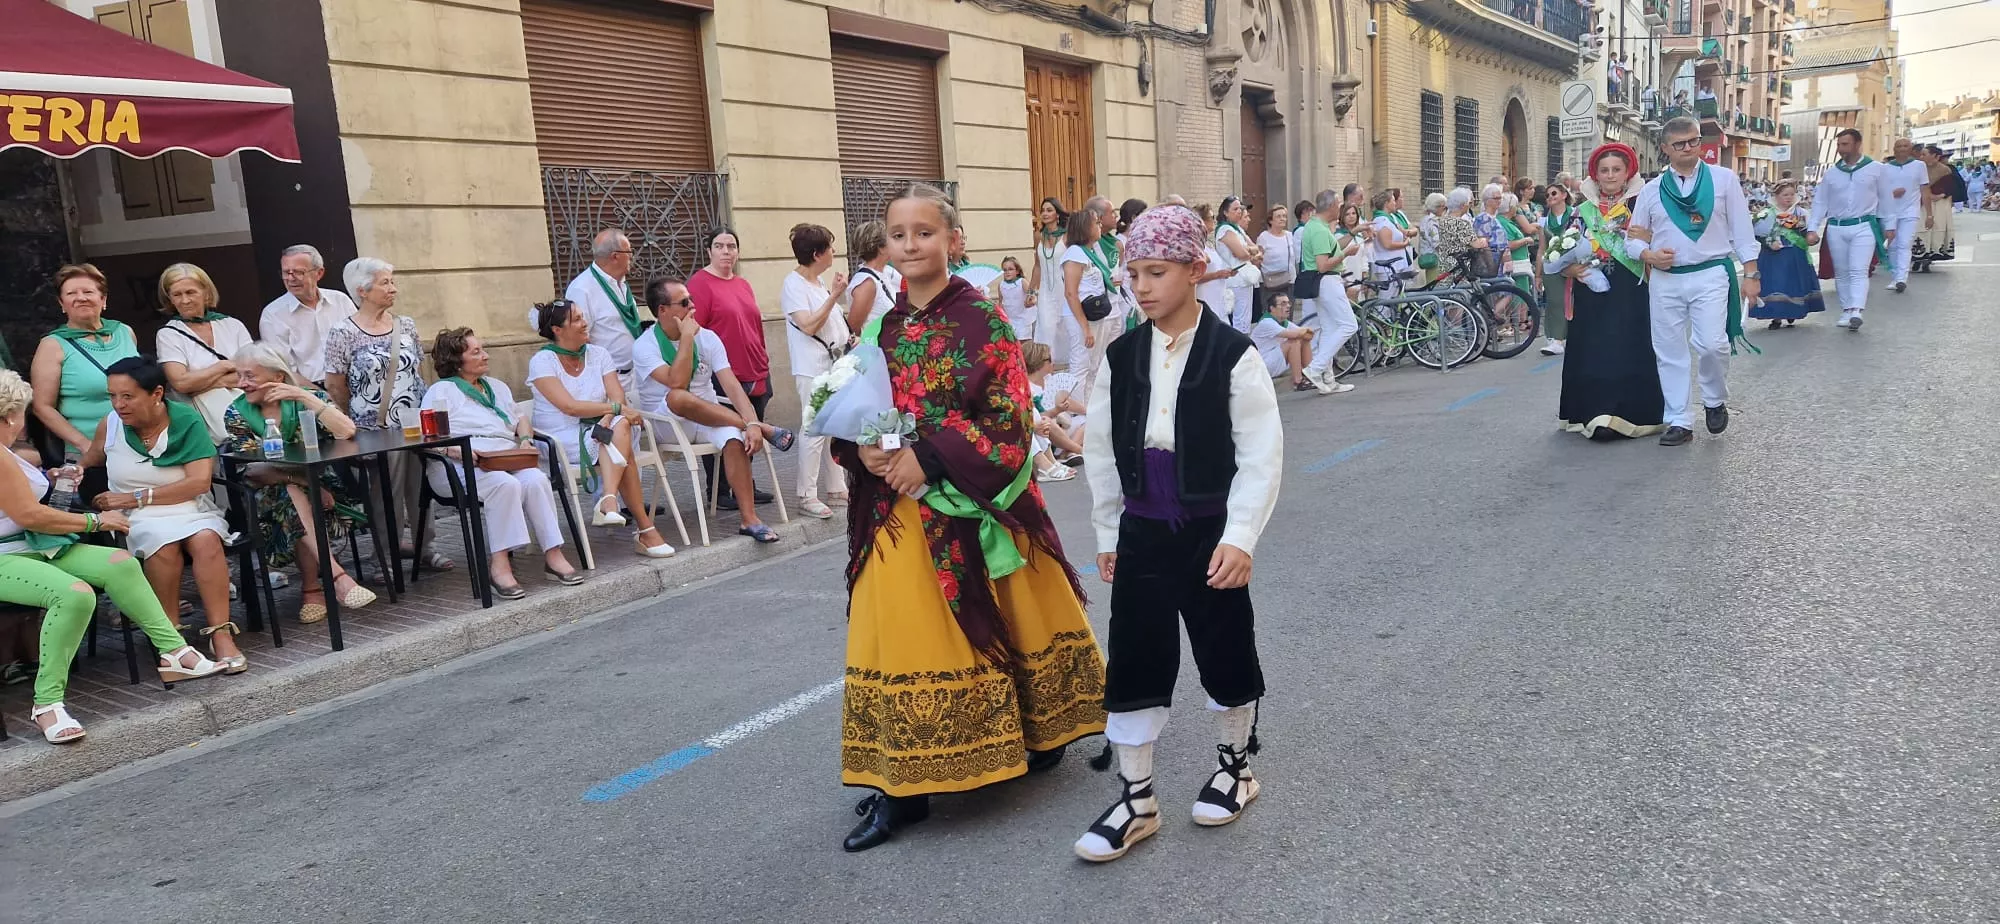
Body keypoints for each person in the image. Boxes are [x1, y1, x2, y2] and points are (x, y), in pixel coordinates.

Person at [832, 183, 1105, 852]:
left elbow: (1011, 421)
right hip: (897, 509)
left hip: (972, 499)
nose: (910, 244)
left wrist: (929, 456)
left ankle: (1044, 732)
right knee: (896, 633)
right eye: (898, 234)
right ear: (885, 245)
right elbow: (844, 401)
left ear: (952, 240)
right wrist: (861, 446)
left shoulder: (983, 319)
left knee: (1015, 615)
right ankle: (905, 787)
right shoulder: (882, 325)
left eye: (924, 232)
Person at [1074, 204, 1281, 863]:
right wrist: (1109, 534)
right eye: (1133, 272)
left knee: (1223, 647)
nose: (1141, 286)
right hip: (1142, 529)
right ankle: (1137, 800)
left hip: (1206, 529)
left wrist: (1241, 536)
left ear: (1196, 271)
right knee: (1134, 656)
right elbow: (1102, 447)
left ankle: (1236, 767)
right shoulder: (1123, 353)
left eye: (1156, 272)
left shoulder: (1233, 355)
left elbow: (1260, 453)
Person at [0, 369, 223, 744]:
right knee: (73, 594)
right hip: (8, 555)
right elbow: (30, 515)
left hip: (33, 545)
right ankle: (48, 704)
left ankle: (174, 653)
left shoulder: (7, 453)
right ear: (10, 416)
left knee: (120, 564)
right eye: (22, 413)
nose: (24, 423)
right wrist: (93, 521)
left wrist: (55, 480)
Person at [84, 357, 244, 673]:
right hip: (136, 517)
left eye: (127, 396)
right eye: (112, 396)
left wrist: (135, 495)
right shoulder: (110, 424)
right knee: (163, 544)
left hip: (190, 507)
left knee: (206, 539)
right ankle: (171, 640)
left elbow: (199, 482)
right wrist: (71, 475)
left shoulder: (186, 420)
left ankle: (221, 633)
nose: (118, 404)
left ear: (156, 393)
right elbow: (90, 461)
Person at [420, 328, 587, 599]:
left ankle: (553, 554)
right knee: (505, 485)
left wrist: (524, 439)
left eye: (483, 349)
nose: (485, 356)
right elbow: (432, 437)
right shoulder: (442, 391)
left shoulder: (497, 386)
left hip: (504, 458)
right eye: (476, 352)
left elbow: (520, 417)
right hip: (459, 466)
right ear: (456, 360)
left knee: (535, 480)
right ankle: (500, 564)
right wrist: (459, 452)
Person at [1627, 117, 1758, 447]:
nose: (1688, 149)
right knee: (1669, 351)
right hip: (1666, 280)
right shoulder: (1652, 190)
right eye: (1680, 144)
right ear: (1665, 149)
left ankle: (1714, 399)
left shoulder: (1724, 180)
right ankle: (1679, 419)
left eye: (1694, 141)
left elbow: (1743, 231)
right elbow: (1634, 239)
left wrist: (1752, 274)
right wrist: (1649, 256)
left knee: (1712, 344)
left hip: (1710, 272)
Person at [222, 341, 374, 624]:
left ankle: (314, 589)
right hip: (263, 499)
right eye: (239, 375)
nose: (242, 383)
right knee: (291, 494)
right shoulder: (236, 413)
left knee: (296, 499)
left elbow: (346, 431)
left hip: (325, 489)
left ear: (278, 377)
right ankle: (338, 578)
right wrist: (306, 482)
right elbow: (255, 471)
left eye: (250, 376)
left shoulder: (305, 400)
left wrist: (306, 397)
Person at [634, 278, 793, 545]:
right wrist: (685, 339)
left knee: (733, 439)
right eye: (684, 303)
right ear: (662, 310)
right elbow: (676, 382)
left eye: (691, 300)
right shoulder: (644, 345)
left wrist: (749, 421)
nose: (693, 307)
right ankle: (760, 428)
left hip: (709, 415)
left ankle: (749, 519)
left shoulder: (707, 338)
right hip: (668, 422)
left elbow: (730, 383)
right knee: (678, 397)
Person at [527, 300, 676, 559]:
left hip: (603, 428)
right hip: (563, 438)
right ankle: (642, 528)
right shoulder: (542, 361)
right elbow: (569, 407)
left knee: (618, 429)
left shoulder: (599, 354)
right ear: (557, 330)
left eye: (583, 317)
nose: (585, 323)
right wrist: (611, 412)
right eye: (576, 319)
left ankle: (609, 500)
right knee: (622, 442)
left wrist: (611, 414)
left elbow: (618, 399)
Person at [325, 257, 447, 569]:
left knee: (419, 488)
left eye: (392, 281)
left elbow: (418, 371)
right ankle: (386, 556)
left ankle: (425, 547)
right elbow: (335, 384)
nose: (393, 288)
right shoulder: (343, 332)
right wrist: (354, 421)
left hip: (413, 422)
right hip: (373, 428)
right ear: (362, 290)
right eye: (385, 282)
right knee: (383, 495)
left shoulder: (405, 325)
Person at [1557, 143, 1666, 440]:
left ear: (1628, 171)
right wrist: (1570, 269)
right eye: (1604, 170)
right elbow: (1561, 249)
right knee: (1593, 351)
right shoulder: (1582, 211)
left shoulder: (1641, 206)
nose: (1610, 175)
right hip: (1590, 292)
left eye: (1616, 169)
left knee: (1628, 347)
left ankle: (1633, 415)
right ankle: (1592, 415)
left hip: (1630, 290)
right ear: (1595, 174)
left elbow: (1655, 243)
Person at [688, 228, 776, 510]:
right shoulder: (700, 284)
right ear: (709, 251)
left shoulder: (743, 284)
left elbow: (754, 325)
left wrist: (763, 360)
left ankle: (744, 486)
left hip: (755, 369)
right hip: (722, 375)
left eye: (731, 246)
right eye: (719, 246)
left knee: (751, 432)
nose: (726, 251)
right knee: (724, 433)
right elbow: (694, 333)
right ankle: (720, 491)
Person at [30, 264, 141, 465]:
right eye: (72, 293)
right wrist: (85, 445)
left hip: (140, 445)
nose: (81, 297)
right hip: (92, 455)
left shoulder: (125, 332)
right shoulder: (52, 345)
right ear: (62, 303)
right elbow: (42, 406)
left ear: (103, 299)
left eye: (88, 291)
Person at [781, 223, 851, 521]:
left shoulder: (817, 282)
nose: (833, 252)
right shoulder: (793, 285)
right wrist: (834, 295)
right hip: (812, 368)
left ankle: (837, 488)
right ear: (817, 253)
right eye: (830, 247)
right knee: (813, 431)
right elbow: (808, 324)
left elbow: (832, 322)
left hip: (833, 365)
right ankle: (806, 495)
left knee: (832, 428)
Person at [1806, 128, 1897, 333]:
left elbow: (1886, 198)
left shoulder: (1876, 169)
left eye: (1845, 144)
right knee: (1842, 272)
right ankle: (1846, 309)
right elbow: (1820, 203)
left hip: (1863, 225)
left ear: (1857, 144)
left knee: (1858, 270)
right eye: (1839, 145)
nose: (1840, 149)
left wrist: (1890, 225)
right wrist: (1812, 228)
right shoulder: (1831, 174)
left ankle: (1857, 310)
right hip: (1836, 227)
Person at [154, 262, 254, 442]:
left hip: (249, 411)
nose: (184, 300)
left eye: (191, 292)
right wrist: (223, 366)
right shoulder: (168, 334)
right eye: (177, 294)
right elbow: (181, 383)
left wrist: (201, 383)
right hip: (203, 426)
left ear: (206, 292)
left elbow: (255, 373)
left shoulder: (233, 325)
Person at [259, 244, 357, 386]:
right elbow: (284, 369)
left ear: (319, 273)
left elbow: (361, 343)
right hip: (310, 389)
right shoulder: (273, 314)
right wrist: (320, 397)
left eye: (299, 272)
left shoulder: (340, 300)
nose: (291, 279)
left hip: (354, 381)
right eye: (286, 272)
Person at [560, 229, 644, 382]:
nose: (632, 256)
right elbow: (578, 337)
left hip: (637, 374)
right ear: (615, 256)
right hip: (609, 378)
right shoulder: (582, 289)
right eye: (629, 251)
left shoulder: (621, 283)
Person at [1296, 189, 1356, 396]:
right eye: (1339, 205)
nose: (1340, 208)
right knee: (1349, 325)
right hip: (1327, 280)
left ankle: (1329, 379)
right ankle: (1315, 368)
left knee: (1330, 329)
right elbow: (1322, 265)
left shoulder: (1315, 226)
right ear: (1331, 206)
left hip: (1323, 282)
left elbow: (1328, 252)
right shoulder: (1320, 230)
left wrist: (1352, 235)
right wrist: (1346, 253)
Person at [1749, 181, 1824, 328]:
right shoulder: (1767, 214)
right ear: (1776, 196)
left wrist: (1811, 238)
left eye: (1791, 194)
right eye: (1785, 195)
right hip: (1774, 256)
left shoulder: (1800, 213)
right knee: (1776, 284)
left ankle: (1792, 311)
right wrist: (1768, 243)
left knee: (1793, 283)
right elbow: (1757, 234)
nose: (1788, 198)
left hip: (1795, 254)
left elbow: (1808, 233)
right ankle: (1776, 316)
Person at [1062, 208, 1121, 396]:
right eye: (1096, 222)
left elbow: (1088, 283)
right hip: (1080, 316)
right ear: (1085, 227)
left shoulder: (1088, 252)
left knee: (1094, 364)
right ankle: (1076, 410)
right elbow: (1071, 293)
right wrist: (1085, 327)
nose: (1100, 225)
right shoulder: (1074, 254)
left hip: (1094, 314)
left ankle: (1089, 407)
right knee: (1081, 364)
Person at [1022, 342, 1082, 482]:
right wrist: (1057, 410)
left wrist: (1088, 410)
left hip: (1054, 428)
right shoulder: (1027, 386)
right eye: (1049, 360)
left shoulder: (1049, 380)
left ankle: (1065, 454)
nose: (1052, 362)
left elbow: (1068, 401)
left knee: (1086, 420)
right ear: (1038, 363)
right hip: (1047, 430)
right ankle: (1078, 451)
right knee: (1043, 419)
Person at [1882, 139, 1927, 293]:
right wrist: (1891, 194)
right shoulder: (1885, 168)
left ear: (1911, 149)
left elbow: (1924, 189)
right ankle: (1895, 277)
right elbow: (1878, 192)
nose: (1902, 149)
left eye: (1905, 146)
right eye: (1899, 146)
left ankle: (1902, 278)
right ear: (1894, 149)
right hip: (1890, 211)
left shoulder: (1919, 166)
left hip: (1910, 211)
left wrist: (1929, 214)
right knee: (1892, 245)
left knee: (1904, 243)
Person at [1212, 196, 1263, 332]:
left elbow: (1256, 248)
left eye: (1240, 209)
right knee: (1239, 319)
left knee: (1245, 317)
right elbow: (1242, 254)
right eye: (1235, 209)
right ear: (1225, 212)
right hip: (1235, 280)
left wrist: (1247, 250)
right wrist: (1247, 251)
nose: (1239, 212)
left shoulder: (1237, 229)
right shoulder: (1224, 230)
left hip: (1245, 279)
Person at [843, 220, 904, 333]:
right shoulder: (867, 283)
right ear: (881, 248)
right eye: (893, 240)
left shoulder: (882, 275)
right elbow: (852, 328)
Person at [1538, 183, 1577, 355]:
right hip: (1551, 265)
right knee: (1555, 302)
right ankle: (1556, 339)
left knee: (1575, 301)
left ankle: (1573, 336)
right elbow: (1541, 248)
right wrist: (1538, 275)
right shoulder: (1544, 221)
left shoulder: (1577, 215)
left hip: (1574, 263)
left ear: (1563, 195)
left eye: (1553, 193)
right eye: (1547, 196)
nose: (1550, 197)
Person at [1028, 197, 1069, 352]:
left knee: (1065, 329)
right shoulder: (1038, 236)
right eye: (1043, 210)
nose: (1044, 213)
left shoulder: (1067, 236)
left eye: (1049, 210)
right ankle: (1046, 366)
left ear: (1057, 214)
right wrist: (1031, 291)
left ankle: (1066, 369)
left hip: (1064, 289)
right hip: (1045, 291)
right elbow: (1037, 266)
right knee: (1046, 328)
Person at [1251, 292, 1315, 391]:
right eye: (1283, 304)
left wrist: (1304, 332)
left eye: (1288, 303)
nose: (1288, 306)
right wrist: (1305, 330)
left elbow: (1308, 336)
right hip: (1262, 365)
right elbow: (1295, 334)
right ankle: (1298, 382)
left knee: (1302, 339)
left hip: (1274, 360)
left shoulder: (1285, 323)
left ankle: (1312, 376)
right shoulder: (1266, 322)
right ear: (1272, 308)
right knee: (1293, 342)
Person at [1368, 189, 1414, 289]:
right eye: (1393, 201)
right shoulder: (1382, 220)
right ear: (1386, 203)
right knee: (1386, 298)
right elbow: (1387, 244)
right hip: (1387, 267)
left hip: (1396, 265)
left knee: (1395, 297)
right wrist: (1404, 244)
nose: (1395, 203)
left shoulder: (1390, 219)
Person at [1256, 205, 1297, 313]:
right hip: (1269, 283)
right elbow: (1258, 259)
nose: (1282, 219)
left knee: (1287, 313)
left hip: (1288, 281)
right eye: (1278, 216)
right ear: (1270, 220)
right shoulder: (1264, 237)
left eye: (1284, 216)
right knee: (1271, 313)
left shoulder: (1289, 235)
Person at [988, 256, 1033, 341]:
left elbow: (1032, 294)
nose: (1007, 272)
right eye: (1005, 270)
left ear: (1017, 271)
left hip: (1023, 320)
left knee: (1023, 344)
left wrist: (1031, 301)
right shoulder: (1001, 285)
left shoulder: (1022, 282)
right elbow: (1001, 302)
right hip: (1009, 320)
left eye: (1010, 269)